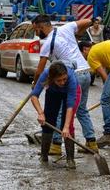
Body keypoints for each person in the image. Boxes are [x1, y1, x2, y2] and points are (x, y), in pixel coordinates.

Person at [32, 14, 98, 155]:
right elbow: (88, 21)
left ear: (42, 27)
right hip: (86, 73)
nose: (37, 34)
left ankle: (56, 145)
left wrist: (35, 84)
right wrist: (83, 29)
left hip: (72, 75)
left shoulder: (48, 42)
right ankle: (91, 142)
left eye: (37, 30)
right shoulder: (66, 28)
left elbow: (40, 68)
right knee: (81, 110)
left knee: (62, 110)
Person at [31, 61, 81, 169]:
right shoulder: (45, 74)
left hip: (71, 93)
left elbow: (70, 106)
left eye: (64, 79)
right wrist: (40, 113)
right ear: (51, 78)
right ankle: (44, 156)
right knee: (48, 121)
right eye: (59, 80)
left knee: (67, 125)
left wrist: (66, 127)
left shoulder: (71, 79)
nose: (62, 82)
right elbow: (34, 96)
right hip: (53, 92)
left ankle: (70, 160)